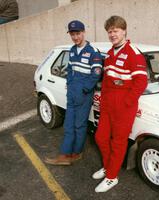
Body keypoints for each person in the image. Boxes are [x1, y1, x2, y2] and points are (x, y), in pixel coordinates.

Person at [92, 16, 148, 192]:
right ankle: (109, 166)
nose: (112, 34)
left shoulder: (134, 53)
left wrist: (126, 102)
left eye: (115, 30)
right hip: (108, 106)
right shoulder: (109, 54)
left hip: (124, 108)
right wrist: (104, 102)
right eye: (109, 31)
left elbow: (141, 82)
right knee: (100, 137)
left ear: (124, 31)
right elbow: (108, 81)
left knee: (118, 142)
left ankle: (112, 177)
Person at [45, 20, 103, 165]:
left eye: (77, 33)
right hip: (71, 93)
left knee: (79, 125)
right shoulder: (72, 50)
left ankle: (76, 153)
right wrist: (70, 84)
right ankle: (65, 154)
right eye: (72, 34)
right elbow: (70, 69)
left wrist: (84, 89)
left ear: (83, 32)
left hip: (83, 95)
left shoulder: (92, 52)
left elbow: (96, 73)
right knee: (68, 124)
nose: (75, 37)